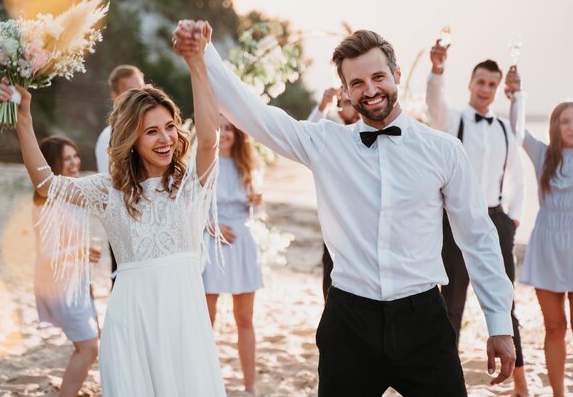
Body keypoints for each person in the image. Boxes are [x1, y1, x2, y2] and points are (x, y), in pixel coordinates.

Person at [174, 21, 515, 396]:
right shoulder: (324, 143)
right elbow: (252, 113)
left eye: (378, 77)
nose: (370, 90)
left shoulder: (444, 150)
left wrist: (499, 322)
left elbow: (477, 237)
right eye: (357, 83)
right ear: (346, 91)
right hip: (349, 322)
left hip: (423, 322)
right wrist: (203, 52)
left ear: (397, 74)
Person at [0, 21, 225, 396]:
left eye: (170, 127)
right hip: (131, 317)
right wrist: (24, 121)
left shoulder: (189, 185)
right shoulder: (109, 190)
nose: (166, 138)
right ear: (131, 140)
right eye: (151, 131)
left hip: (184, 319)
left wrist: (197, 63)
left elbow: (210, 136)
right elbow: (46, 184)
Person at [427, 41, 529, 396]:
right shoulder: (452, 120)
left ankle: (521, 382)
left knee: (506, 301)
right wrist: (437, 70)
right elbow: (434, 103)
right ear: (470, 84)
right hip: (454, 221)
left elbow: (518, 177)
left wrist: (512, 219)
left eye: (492, 85)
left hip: (496, 221)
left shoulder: (503, 129)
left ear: (497, 88)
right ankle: (445, 380)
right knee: (451, 301)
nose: (486, 90)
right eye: (480, 82)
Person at [509, 91, 573, 397]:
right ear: (555, 126)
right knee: (554, 328)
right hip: (547, 247)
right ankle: (559, 394)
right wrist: (517, 95)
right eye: (565, 121)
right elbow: (517, 130)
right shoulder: (544, 155)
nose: (571, 126)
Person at [32, 136, 100, 397]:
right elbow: (48, 255)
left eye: (75, 156)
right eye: (66, 158)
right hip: (59, 285)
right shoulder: (47, 202)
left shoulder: (73, 192)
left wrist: (88, 280)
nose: (74, 163)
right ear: (52, 164)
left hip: (78, 281)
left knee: (90, 344)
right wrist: (79, 251)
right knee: (88, 347)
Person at [203, 115, 264, 395]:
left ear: (238, 134)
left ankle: (250, 386)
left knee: (245, 318)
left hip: (242, 243)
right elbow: (191, 205)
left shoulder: (248, 165)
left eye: (229, 128)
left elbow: (256, 214)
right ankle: (202, 380)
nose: (224, 133)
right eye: (220, 128)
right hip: (211, 241)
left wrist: (257, 203)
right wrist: (211, 226)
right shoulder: (203, 163)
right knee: (207, 318)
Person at [306, 87, 360, 299]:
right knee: (332, 292)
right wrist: (324, 105)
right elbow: (306, 136)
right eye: (346, 103)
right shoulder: (332, 141)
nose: (353, 106)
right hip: (337, 235)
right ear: (339, 112)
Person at [94, 65, 145, 288]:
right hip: (127, 229)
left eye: (141, 88)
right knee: (125, 285)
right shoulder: (109, 137)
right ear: (115, 97)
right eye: (130, 91)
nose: (138, 95)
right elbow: (115, 190)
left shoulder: (153, 129)